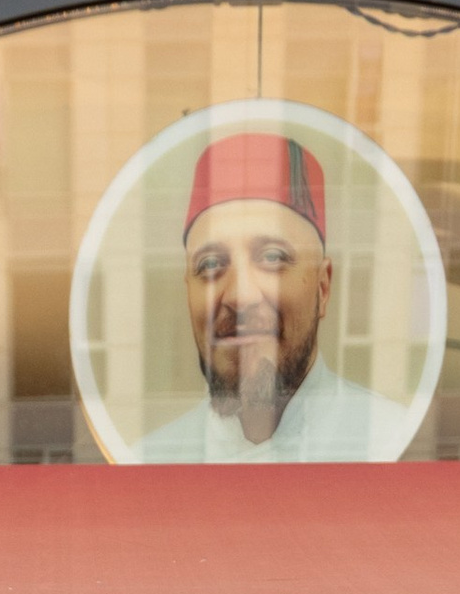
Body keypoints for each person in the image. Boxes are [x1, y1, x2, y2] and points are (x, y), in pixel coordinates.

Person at [135, 133, 393, 464]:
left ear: (322, 288)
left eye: (272, 257)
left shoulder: (390, 441)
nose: (241, 297)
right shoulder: (149, 463)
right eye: (211, 264)